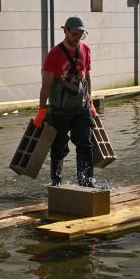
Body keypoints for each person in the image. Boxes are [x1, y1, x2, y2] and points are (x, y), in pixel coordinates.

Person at [34, 16, 97, 187]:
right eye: (75, 34)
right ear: (66, 31)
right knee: (58, 147)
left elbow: (87, 77)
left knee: (85, 144)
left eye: (82, 34)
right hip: (60, 109)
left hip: (81, 107)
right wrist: (41, 111)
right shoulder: (53, 55)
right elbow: (46, 86)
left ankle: (86, 182)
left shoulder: (86, 50)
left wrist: (90, 101)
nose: (78, 37)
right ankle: (57, 182)